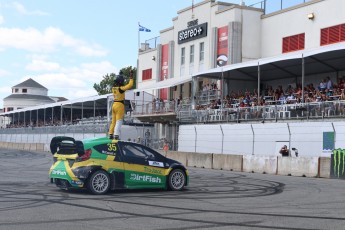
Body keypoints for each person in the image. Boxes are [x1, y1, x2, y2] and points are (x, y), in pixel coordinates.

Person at [108, 70, 134, 140]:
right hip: (119, 105)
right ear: (120, 82)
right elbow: (130, 85)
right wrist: (131, 77)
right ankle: (116, 135)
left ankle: (110, 134)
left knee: (113, 121)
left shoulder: (113, 88)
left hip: (114, 104)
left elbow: (118, 83)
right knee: (119, 121)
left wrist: (120, 75)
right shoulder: (121, 89)